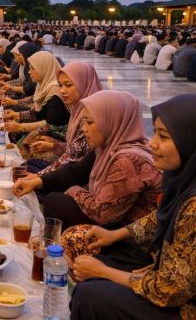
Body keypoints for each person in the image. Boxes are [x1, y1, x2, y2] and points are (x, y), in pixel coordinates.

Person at [64, 94, 196, 319]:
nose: (152, 143)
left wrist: (104, 272)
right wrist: (113, 236)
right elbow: (161, 217)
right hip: (188, 285)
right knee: (96, 263)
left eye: (164, 136)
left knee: (91, 297)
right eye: (155, 132)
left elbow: (167, 289)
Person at [14, 90, 161, 228]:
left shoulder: (128, 161)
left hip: (126, 232)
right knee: (46, 185)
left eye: (90, 122)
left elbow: (103, 214)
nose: (84, 128)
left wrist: (72, 190)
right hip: (106, 212)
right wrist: (37, 180)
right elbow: (76, 172)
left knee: (55, 201)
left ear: (110, 121)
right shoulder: (106, 146)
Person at [27, 62, 102, 175]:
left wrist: (37, 179)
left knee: (25, 168)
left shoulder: (91, 116)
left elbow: (73, 160)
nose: (62, 90)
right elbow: (74, 149)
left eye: (68, 85)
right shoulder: (76, 108)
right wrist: (53, 146)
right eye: (60, 85)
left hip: (76, 176)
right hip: (69, 167)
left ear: (83, 83)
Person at [4, 50, 69, 135]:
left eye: (33, 68)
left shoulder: (55, 91)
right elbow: (38, 112)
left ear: (44, 67)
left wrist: (21, 127)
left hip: (55, 133)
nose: (29, 72)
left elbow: (51, 124)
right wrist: (17, 115)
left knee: (14, 134)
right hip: (45, 128)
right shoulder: (43, 84)